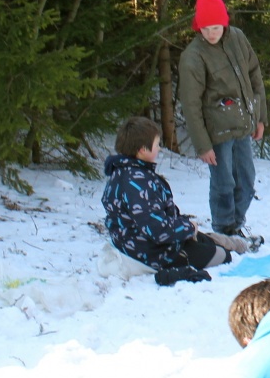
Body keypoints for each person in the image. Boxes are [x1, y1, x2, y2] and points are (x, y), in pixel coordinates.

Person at [101, 116, 250, 287]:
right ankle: (234, 246)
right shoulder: (137, 183)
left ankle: (240, 244)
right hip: (150, 251)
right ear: (143, 149)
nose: (159, 148)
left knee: (205, 239)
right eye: (157, 144)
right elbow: (156, 229)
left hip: (143, 241)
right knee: (222, 256)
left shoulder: (125, 172)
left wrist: (185, 226)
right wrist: (187, 227)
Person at [178, 0, 266, 249]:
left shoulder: (237, 38)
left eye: (215, 27)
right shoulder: (193, 57)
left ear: (224, 23)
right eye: (205, 28)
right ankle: (224, 229)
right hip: (216, 132)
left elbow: (254, 76)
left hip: (243, 124)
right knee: (223, 183)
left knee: (247, 180)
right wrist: (202, 145)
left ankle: (236, 225)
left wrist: (259, 117)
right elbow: (191, 104)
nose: (211, 33)